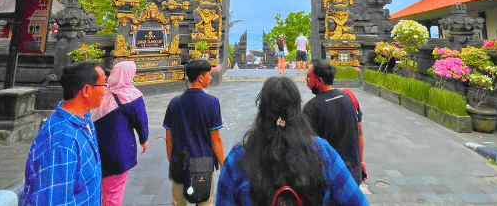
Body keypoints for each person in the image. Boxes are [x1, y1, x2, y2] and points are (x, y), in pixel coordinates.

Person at [215, 76, 369, 206]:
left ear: (262, 112)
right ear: (298, 110)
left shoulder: (238, 157)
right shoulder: (322, 150)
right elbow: (357, 202)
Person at [20, 61, 106, 206]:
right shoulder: (63, 142)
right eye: (103, 85)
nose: (106, 91)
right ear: (86, 90)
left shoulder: (84, 120)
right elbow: (54, 201)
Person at [164, 59, 225, 206]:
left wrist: (172, 165)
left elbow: (168, 138)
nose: (211, 77)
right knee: (204, 202)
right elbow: (215, 139)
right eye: (209, 75)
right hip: (203, 164)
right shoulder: (212, 103)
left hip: (179, 163)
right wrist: (224, 165)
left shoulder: (175, 102)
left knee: (178, 203)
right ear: (200, 78)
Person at [91, 61, 149, 206]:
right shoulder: (132, 95)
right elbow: (141, 120)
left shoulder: (101, 93)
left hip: (96, 149)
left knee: (101, 188)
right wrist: (144, 139)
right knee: (113, 191)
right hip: (119, 152)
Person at [303, 61, 367, 187]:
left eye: (309, 76)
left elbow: (309, 148)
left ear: (319, 80)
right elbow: (359, 131)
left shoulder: (311, 108)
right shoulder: (349, 96)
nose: (306, 80)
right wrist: (361, 160)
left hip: (332, 178)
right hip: (353, 173)